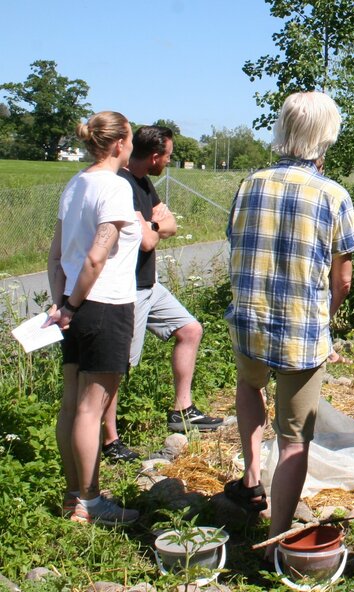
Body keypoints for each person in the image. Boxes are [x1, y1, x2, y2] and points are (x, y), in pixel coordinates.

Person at [223, 92, 354, 562]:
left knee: (248, 385)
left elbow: (236, 242)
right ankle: (276, 537)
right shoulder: (334, 195)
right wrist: (328, 320)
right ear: (326, 136)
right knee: (295, 437)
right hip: (301, 331)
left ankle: (250, 481)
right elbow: (342, 277)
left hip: (250, 318)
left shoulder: (249, 183)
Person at [99, 126, 222, 463]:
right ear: (155, 156)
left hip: (150, 285)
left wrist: (152, 223)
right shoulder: (122, 184)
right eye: (168, 155)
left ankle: (182, 410)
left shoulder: (143, 182)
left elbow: (170, 226)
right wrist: (154, 225)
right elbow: (149, 239)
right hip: (130, 288)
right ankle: (108, 440)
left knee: (190, 329)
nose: (169, 160)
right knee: (118, 366)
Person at [45, 111, 142, 524]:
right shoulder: (115, 188)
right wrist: (73, 306)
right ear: (120, 143)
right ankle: (90, 500)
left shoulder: (75, 183)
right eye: (132, 139)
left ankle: (73, 497)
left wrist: (62, 305)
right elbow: (97, 255)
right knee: (91, 409)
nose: (132, 146)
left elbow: (54, 256)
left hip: (74, 304)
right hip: (104, 306)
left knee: (71, 406)